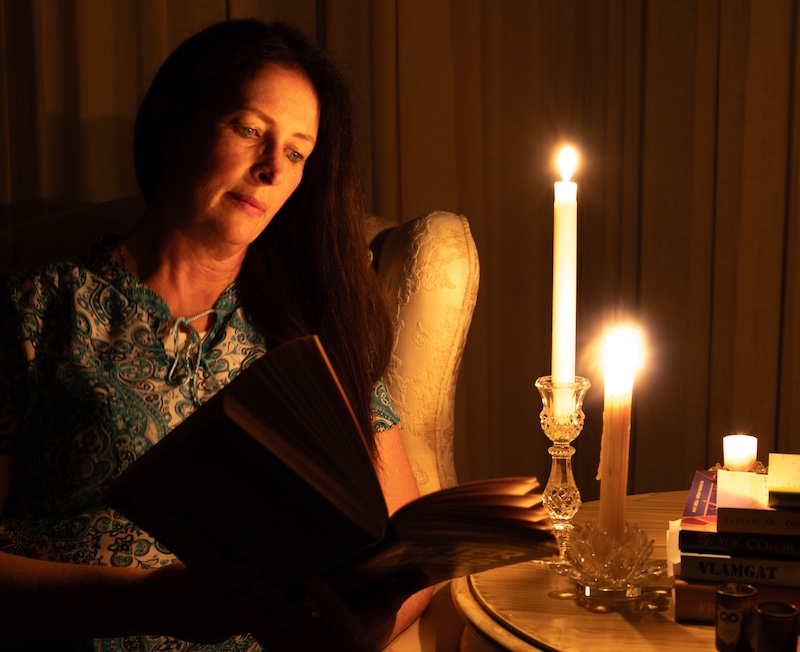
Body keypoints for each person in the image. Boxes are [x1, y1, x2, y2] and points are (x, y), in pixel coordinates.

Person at [0, 19, 431, 651]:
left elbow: (405, 552)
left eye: (296, 153)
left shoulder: (320, 326)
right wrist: (141, 603)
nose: (271, 168)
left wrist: (368, 629)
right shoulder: (37, 310)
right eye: (250, 129)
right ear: (175, 126)